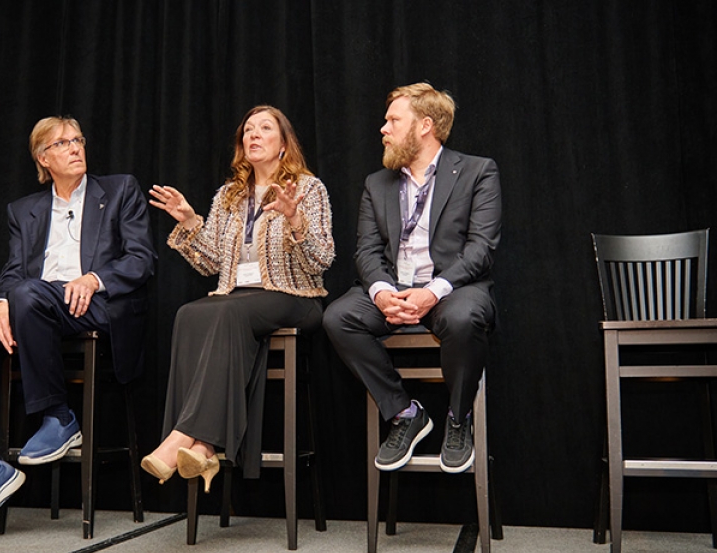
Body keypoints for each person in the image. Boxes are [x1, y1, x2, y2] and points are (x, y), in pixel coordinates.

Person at [0, 116, 156, 544]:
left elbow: (141, 260)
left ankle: (59, 416)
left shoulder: (120, 190)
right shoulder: (24, 210)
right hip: (34, 304)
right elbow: (13, 273)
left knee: (29, 294)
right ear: (43, 158)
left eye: (79, 139)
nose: (75, 148)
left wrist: (94, 278)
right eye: (63, 143)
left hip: (95, 307)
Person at [141, 105, 334, 491]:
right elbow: (212, 264)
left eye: (265, 128)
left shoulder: (308, 188)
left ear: (284, 144)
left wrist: (295, 219)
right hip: (237, 298)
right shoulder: (229, 195)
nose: (254, 135)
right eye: (248, 130)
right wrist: (189, 221)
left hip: (294, 295)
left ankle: (182, 437)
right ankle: (203, 448)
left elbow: (322, 260)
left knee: (225, 311)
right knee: (189, 314)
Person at [323, 82, 501, 474]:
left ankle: (458, 418)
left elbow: (481, 249)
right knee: (338, 317)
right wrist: (383, 292)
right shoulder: (377, 183)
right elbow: (366, 251)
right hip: (395, 288)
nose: (383, 129)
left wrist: (433, 292)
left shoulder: (477, 171)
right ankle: (404, 412)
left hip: (453, 288)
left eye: (392, 120)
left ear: (425, 125)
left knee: (463, 318)